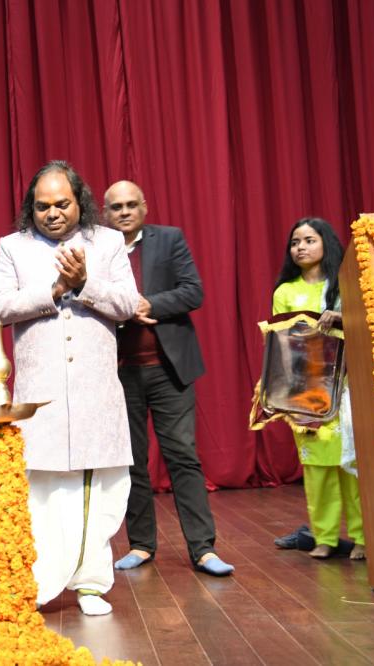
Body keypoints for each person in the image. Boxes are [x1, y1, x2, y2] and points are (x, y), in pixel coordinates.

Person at [0, 161, 139, 616]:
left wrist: (85, 283)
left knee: (102, 489)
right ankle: (43, 582)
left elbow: (127, 304)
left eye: (61, 204)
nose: (52, 213)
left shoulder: (108, 242)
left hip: (96, 395)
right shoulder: (12, 247)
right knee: (45, 494)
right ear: (30, 208)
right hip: (42, 397)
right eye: (42, 207)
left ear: (80, 202)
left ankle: (91, 585)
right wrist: (54, 290)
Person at [102, 181, 234, 577]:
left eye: (131, 204)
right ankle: (141, 544)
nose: (124, 212)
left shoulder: (170, 239)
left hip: (169, 369)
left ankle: (203, 548)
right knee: (131, 462)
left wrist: (149, 304)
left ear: (144, 207)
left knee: (183, 456)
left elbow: (193, 292)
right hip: (119, 373)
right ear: (105, 213)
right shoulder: (97, 249)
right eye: (116, 207)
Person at [271, 218, 364, 560]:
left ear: (326, 242)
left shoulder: (345, 283)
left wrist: (341, 318)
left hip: (350, 388)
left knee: (353, 465)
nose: (301, 247)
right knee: (318, 469)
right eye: (295, 242)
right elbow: (279, 342)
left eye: (309, 240)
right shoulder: (285, 292)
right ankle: (324, 537)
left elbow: (369, 324)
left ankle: (364, 538)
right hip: (308, 390)